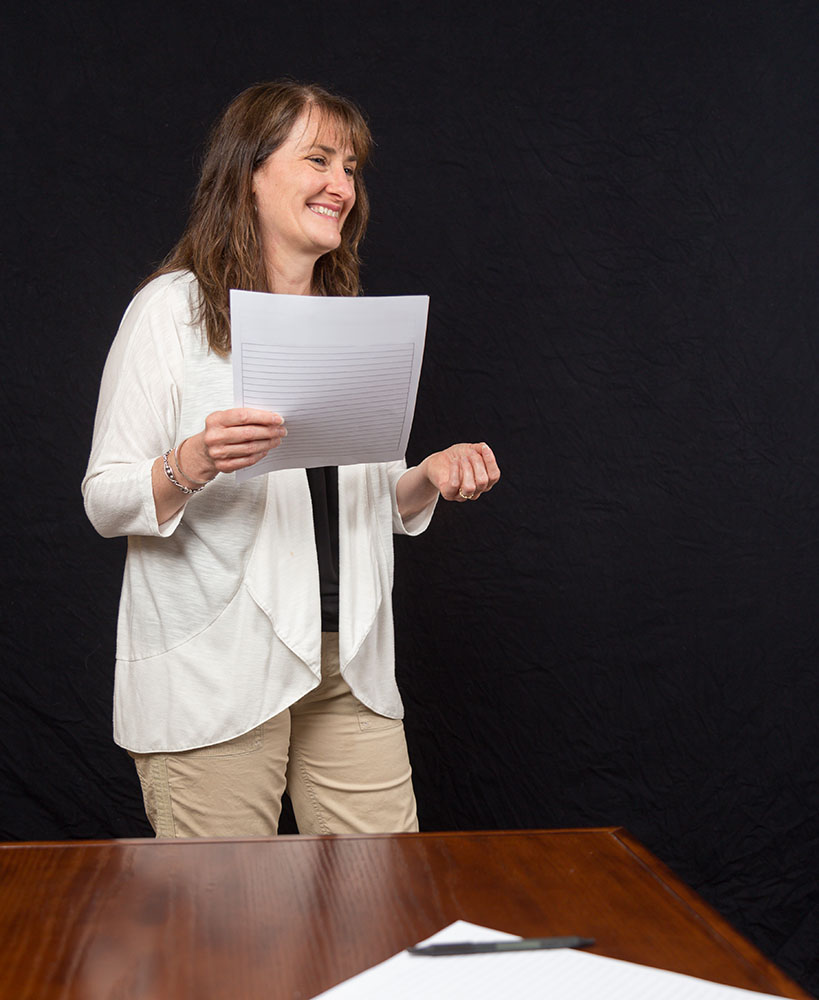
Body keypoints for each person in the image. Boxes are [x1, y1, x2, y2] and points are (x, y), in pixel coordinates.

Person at [82, 80, 500, 839]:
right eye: (318, 160)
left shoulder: (349, 324)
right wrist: (196, 460)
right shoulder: (170, 312)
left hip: (350, 666)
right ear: (248, 172)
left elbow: (362, 505)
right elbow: (106, 498)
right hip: (219, 669)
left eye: (350, 168)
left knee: (383, 911)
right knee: (231, 934)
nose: (341, 185)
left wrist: (425, 480)